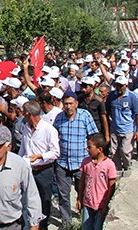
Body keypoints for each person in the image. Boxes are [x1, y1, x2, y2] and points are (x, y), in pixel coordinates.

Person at [53, 94, 98, 224]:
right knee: (63, 194)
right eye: (66, 104)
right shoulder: (59, 118)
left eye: (71, 103)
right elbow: (54, 136)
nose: (68, 106)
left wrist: (94, 157)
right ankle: (66, 222)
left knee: (83, 192)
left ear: (76, 104)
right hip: (63, 162)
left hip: (81, 162)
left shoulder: (85, 116)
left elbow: (93, 136)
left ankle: (84, 219)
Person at [19, 100, 60, 230]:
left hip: (44, 171)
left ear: (30, 114)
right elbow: (23, 149)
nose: (22, 115)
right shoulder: (26, 128)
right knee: (28, 199)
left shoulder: (49, 130)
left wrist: (40, 156)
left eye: (24, 113)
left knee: (44, 200)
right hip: (29, 170)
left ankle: (43, 226)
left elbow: (55, 152)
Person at [77, 133, 117, 230]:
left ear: (100, 149)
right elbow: (82, 181)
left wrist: (106, 205)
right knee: (86, 227)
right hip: (87, 203)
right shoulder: (86, 162)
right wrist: (79, 198)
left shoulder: (109, 165)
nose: (87, 150)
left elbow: (111, 186)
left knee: (97, 227)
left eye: (89, 147)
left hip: (101, 204)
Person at [106, 76, 138, 172]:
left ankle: (127, 166)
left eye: (121, 86)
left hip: (127, 129)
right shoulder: (112, 96)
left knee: (125, 151)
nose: (119, 88)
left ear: (126, 86)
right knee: (114, 152)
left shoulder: (132, 97)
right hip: (114, 128)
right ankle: (117, 168)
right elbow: (108, 110)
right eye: (117, 85)